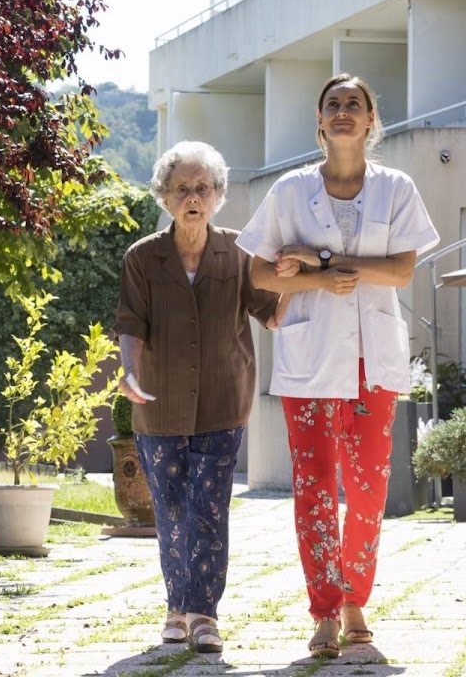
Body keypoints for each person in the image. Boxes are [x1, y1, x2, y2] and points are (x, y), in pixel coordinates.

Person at [235, 74, 439, 658]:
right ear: (319, 123)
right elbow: (259, 274)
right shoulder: (289, 191)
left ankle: (356, 599)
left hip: (373, 362)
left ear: (372, 121)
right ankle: (325, 608)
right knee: (315, 488)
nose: (344, 112)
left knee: (370, 491)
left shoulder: (396, 188)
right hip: (310, 358)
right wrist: (321, 279)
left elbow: (400, 271)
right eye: (333, 105)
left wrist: (322, 258)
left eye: (355, 104)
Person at [114, 140, 281, 653]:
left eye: (202, 188)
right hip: (159, 404)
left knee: (208, 508)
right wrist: (129, 372)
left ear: (217, 195)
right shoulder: (142, 257)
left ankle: (203, 615)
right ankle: (176, 606)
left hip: (223, 400)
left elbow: (271, 312)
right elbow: (131, 325)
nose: (193, 197)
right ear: (164, 197)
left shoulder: (239, 251)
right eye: (182, 188)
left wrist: (302, 283)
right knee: (171, 510)